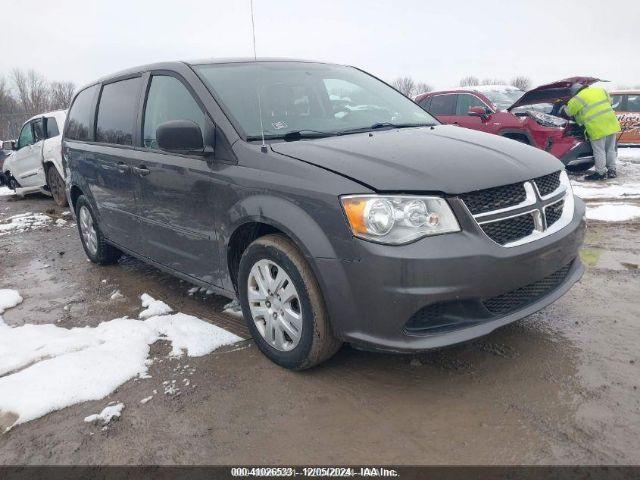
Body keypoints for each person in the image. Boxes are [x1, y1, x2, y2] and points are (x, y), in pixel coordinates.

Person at [564, 84, 621, 181]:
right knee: (610, 149)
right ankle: (612, 170)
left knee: (599, 151)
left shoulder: (578, 98)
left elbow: (568, 112)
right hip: (611, 123)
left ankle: (600, 173)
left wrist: (564, 106)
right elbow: (610, 102)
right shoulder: (601, 90)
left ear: (575, 92)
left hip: (596, 126)